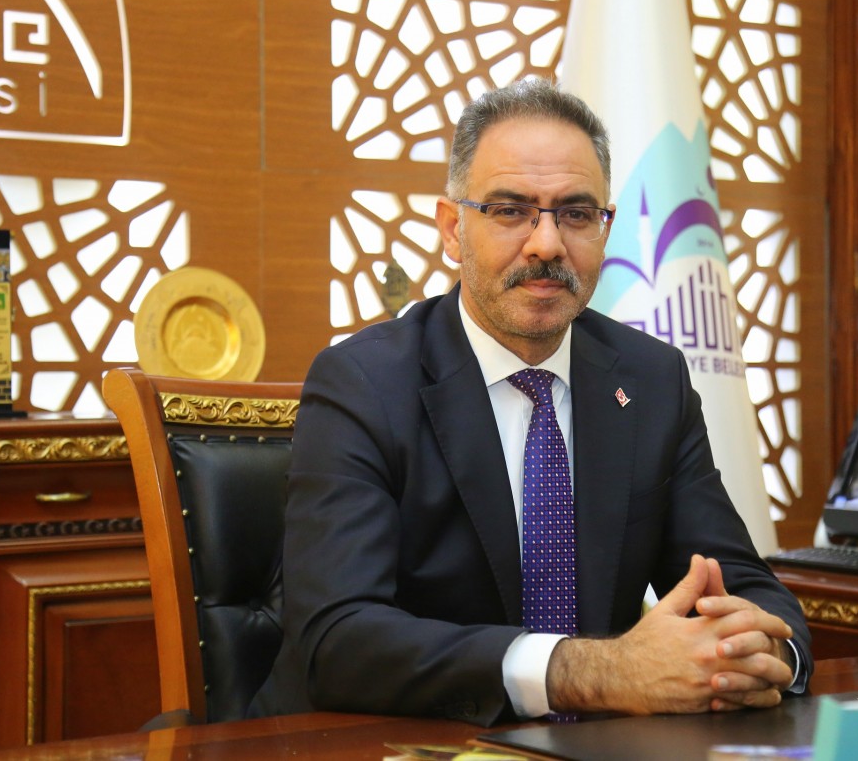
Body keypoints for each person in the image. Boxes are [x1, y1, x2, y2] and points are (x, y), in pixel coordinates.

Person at [249, 78, 812, 725]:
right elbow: (338, 642)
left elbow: (748, 588)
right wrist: (592, 673)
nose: (547, 244)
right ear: (452, 229)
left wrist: (758, 652)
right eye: (510, 210)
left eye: (576, 214)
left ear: (605, 229)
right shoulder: (362, 384)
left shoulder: (651, 381)